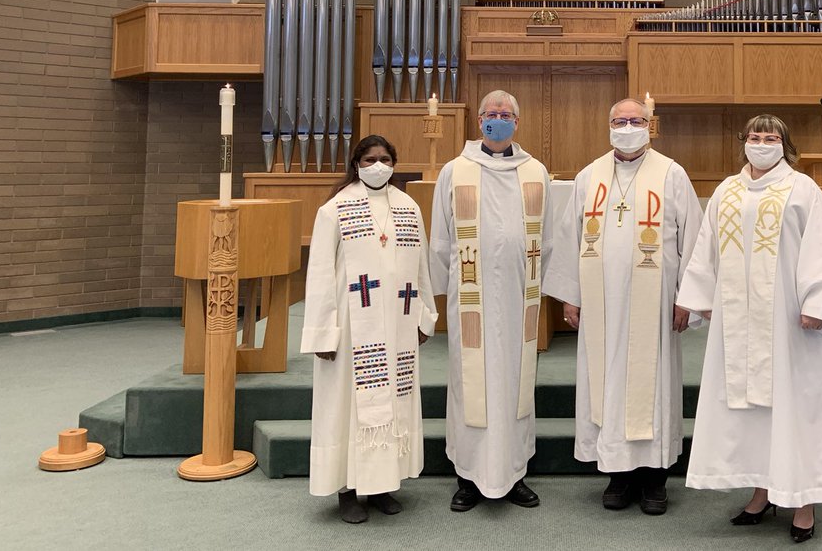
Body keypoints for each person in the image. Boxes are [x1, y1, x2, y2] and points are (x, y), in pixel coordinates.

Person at [676, 114, 822, 544]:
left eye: (770, 137)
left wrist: (816, 303)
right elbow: (707, 247)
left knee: (795, 407)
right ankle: (761, 491)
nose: (761, 143)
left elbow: (820, 250)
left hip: (791, 324)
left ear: (784, 145)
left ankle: (804, 502)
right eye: (755, 136)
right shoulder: (727, 190)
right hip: (739, 321)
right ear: (744, 143)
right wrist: (698, 297)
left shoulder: (802, 189)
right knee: (752, 412)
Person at [544, 97, 701, 515]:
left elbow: (695, 241)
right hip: (602, 306)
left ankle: (654, 480)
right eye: (619, 120)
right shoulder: (588, 176)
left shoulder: (672, 174)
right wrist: (570, 297)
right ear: (608, 125)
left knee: (652, 385)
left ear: (650, 126)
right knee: (608, 384)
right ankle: (617, 475)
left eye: (635, 120)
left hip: (657, 303)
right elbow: (568, 238)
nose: (627, 126)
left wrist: (687, 297)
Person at [300, 135, 437, 524]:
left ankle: (381, 487)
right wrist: (324, 332)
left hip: (397, 323)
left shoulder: (408, 207)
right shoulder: (336, 209)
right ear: (356, 163)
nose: (378, 165)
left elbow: (421, 267)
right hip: (350, 326)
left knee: (393, 400)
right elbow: (321, 273)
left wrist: (424, 317)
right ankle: (346, 490)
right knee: (345, 407)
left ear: (394, 163)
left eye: (385, 159)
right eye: (370, 159)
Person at [430, 90, 551, 511]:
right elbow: (441, 239)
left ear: (517, 122)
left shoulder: (535, 171)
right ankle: (467, 476)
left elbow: (548, 239)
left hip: (520, 297)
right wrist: (435, 297)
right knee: (470, 384)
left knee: (516, 385)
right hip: (471, 298)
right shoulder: (455, 170)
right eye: (491, 113)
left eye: (506, 114)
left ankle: (515, 474)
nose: (498, 119)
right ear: (479, 120)